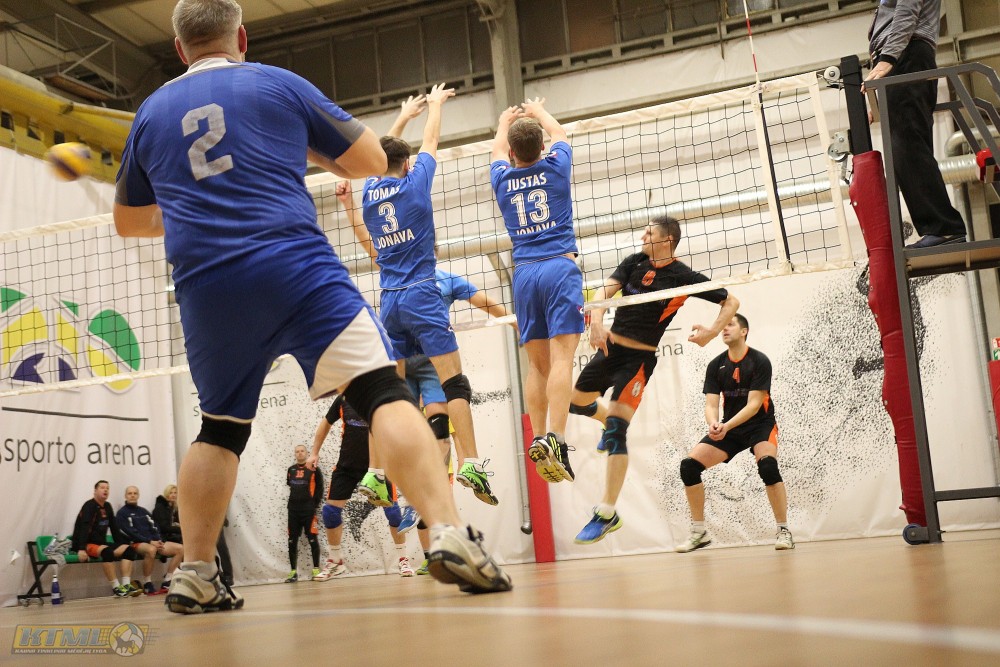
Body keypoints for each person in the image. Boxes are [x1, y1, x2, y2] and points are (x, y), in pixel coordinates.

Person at [114, 0, 510, 614]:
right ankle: (449, 533)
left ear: (179, 50)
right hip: (293, 265)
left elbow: (129, 222)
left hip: (207, 286)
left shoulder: (150, 113)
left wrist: (195, 202)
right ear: (242, 37)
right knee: (382, 391)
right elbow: (373, 162)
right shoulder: (277, 84)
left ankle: (196, 571)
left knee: (219, 429)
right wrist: (304, 154)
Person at [355, 89, 498, 506]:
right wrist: (435, 106)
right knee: (455, 382)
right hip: (421, 292)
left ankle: (377, 474)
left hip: (389, 300)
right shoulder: (414, 186)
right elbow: (431, 141)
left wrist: (402, 117)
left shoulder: (368, 193)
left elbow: (378, 157)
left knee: (389, 392)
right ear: (408, 165)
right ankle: (471, 463)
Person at [568, 217, 740, 544]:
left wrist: (711, 332)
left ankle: (606, 512)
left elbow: (731, 301)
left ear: (667, 240)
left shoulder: (682, 276)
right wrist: (597, 320)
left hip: (637, 360)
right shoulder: (634, 262)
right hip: (610, 350)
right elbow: (605, 291)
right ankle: (606, 421)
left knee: (617, 432)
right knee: (575, 403)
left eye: (649, 233)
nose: (642, 236)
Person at [490, 98, 583, 484]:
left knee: (536, 366)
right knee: (563, 359)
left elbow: (497, 149)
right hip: (559, 268)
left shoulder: (501, 178)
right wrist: (538, 110)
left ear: (513, 153)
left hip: (525, 275)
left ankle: (539, 435)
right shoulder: (557, 166)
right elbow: (559, 131)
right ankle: (556, 439)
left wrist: (504, 121)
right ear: (542, 147)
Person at [675, 314, 794, 552]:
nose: (724, 329)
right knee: (688, 467)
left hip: (760, 424)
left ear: (744, 331)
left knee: (768, 466)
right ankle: (699, 532)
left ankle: (783, 531)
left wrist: (726, 426)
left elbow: (754, 405)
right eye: (723, 325)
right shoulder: (716, 365)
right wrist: (714, 424)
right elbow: (711, 404)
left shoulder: (760, 361)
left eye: (730, 324)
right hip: (730, 428)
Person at [864, 0, 966, 249]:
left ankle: (943, 227)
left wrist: (888, 58)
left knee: (907, 143)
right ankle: (940, 227)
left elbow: (907, 9)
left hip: (906, 55)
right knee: (906, 146)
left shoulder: (900, 48)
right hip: (904, 56)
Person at [308, 394, 416, 580]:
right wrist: (314, 453)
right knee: (330, 512)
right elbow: (325, 423)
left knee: (393, 513)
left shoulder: (380, 397)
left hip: (378, 468)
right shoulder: (343, 399)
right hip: (347, 467)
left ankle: (403, 559)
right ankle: (335, 561)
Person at [70, 480, 142, 597]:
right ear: (95, 491)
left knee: (129, 550)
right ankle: (116, 587)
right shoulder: (89, 506)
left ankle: (126, 585)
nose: (105, 490)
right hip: (87, 543)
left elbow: (114, 528)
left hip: (100, 543)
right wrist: (81, 548)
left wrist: (121, 545)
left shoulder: (107, 506)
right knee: (107, 552)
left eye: (107, 488)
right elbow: (84, 527)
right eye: (102, 488)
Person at [117, 486, 185, 594]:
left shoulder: (143, 511)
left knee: (181, 549)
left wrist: (159, 540)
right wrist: (150, 541)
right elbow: (131, 533)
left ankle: (167, 580)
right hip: (136, 543)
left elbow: (155, 526)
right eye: (130, 493)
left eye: (135, 493)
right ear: (125, 496)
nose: (132, 495)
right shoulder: (122, 513)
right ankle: (147, 583)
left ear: (138, 495)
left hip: (153, 541)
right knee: (151, 550)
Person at [285, 445, 324, 582]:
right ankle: (293, 572)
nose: (300, 453)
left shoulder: (314, 469)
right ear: (295, 454)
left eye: (302, 451)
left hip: (308, 511)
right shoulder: (291, 470)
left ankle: (316, 569)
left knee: (312, 538)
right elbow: (290, 485)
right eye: (297, 451)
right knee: (292, 540)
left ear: (307, 453)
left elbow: (320, 488)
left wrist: (313, 505)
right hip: (293, 510)